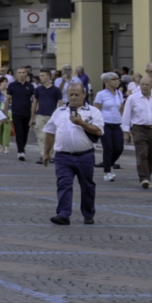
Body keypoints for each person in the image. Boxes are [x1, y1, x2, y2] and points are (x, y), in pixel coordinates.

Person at [42, 80, 101, 225]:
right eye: (70, 94)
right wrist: (46, 153)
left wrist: (81, 123)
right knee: (64, 184)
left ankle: (88, 213)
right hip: (63, 156)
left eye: (77, 94)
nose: (73, 97)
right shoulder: (59, 111)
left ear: (84, 95)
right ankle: (63, 214)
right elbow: (50, 132)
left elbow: (98, 131)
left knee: (87, 186)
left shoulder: (93, 111)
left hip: (85, 155)